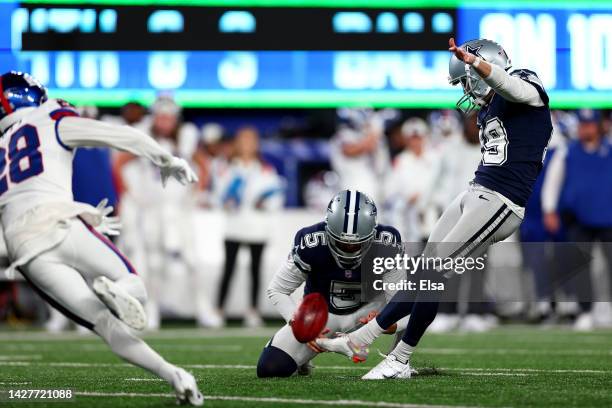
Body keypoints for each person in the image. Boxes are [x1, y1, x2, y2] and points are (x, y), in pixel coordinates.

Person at [317, 37, 553, 379]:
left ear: (481, 67)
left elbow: (510, 86)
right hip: (475, 193)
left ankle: (367, 343)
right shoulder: (489, 107)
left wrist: (476, 65)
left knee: (431, 274)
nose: (464, 89)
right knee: (424, 273)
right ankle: (398, 358)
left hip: (502, 202)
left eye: (464, 78)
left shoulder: (526, 83)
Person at [0, 71, 203, 405]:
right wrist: (166, 159)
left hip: (24, 248)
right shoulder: (49, 116)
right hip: (58, 220)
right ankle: (117, 291)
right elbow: (121, 136)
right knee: (131, 280)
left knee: (103, 324)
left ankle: (175, 376)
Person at [256, 190, 407, 377]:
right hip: (324, 317)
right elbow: (277, 289)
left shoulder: (387, 243)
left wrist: (386, 323)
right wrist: (300, 324)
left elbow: (403, 303)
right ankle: (303, 358)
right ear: (328, 231)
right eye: (342, 243)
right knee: (271, 369)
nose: (350, 249)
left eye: (357, 244)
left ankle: (401, 360)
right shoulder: (311, 242)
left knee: (416, 299)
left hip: (371, 313)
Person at [542, 109, 612, 330]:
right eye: (583, 125)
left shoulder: (610, 149)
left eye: (590, 125)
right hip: (578, 218)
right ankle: (586, 311)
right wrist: (549, 209)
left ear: (598, 126)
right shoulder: (567, 151)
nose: (586, 129)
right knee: (581, 268)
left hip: (608, 217)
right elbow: (553, 181)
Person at [216, 126, 284, 327]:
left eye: (251, 141)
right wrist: (227, 200)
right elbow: (219, 195)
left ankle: (253, 310)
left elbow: (276, 196)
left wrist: (265, 202)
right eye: (243, 140)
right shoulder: (228, 168)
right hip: (235, 225)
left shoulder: (265, 169)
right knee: (229, 268)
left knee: (255, 269)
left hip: (257, 228)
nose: (247, 145)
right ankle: (219, 310)